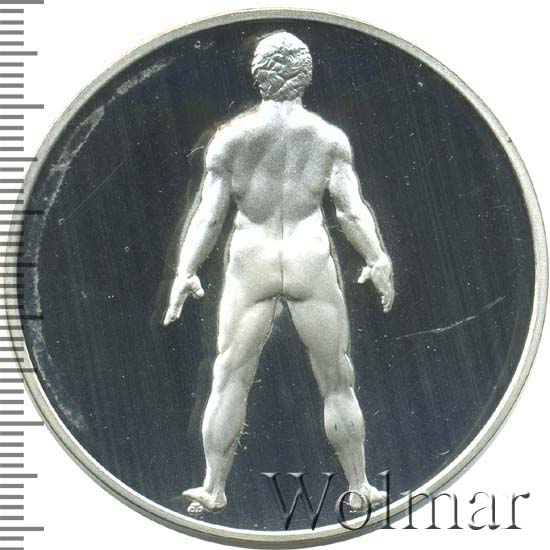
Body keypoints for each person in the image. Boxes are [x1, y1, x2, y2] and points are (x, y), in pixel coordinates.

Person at [164, 31, 394, 514]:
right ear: (305, 75)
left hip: (253, 259)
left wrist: (186, 271)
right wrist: (376, 258)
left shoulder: (232, 139)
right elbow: (350, 211)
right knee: (337, 378)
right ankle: (359, 486)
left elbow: (208, 216)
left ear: (258, 76)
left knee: (229, 376)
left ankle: (213, 488)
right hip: (309, 258)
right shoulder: (328, 138)